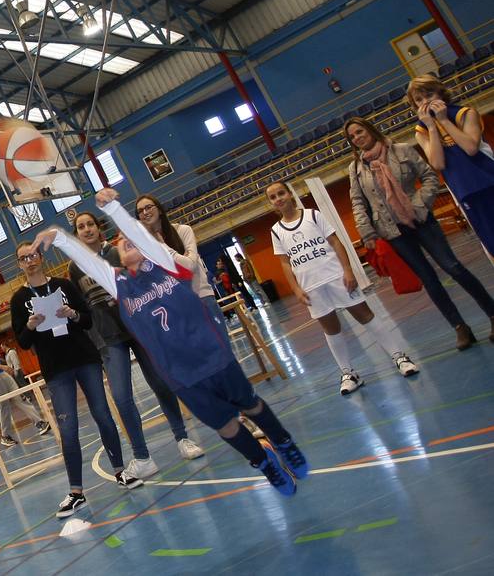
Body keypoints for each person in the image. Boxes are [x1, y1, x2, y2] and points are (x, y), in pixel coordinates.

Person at [36, 188, 309, 498]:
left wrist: (113, 208)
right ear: (119, 260)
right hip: (181, 374)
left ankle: (284, 441)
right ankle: (263, 461)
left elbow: (140, 234)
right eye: (122, 245)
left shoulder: (166, 264)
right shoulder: (120, 284)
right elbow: (89, 260)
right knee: (226, 426)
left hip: (213, 356)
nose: (126, 243)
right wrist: (59, 237)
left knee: (251, 404)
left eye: (131, 240)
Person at [10, 241, 139, 519]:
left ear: (40, 257)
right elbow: (21, 341)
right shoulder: (18, 299)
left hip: (85, 358)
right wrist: (30, 326)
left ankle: (120, 472)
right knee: (68, 430)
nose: (29, 261)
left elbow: (88, 320)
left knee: (103, 415)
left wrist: (73, 314)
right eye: (23, 258)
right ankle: (76, 491)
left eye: (33, 255)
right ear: (19, 264)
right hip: (56, 369)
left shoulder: (65, 286)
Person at [66, 211, 203, 468]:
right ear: (76, 235)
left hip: (140, 328)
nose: (86, 229)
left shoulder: (119, 251)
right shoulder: (75, 267)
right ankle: (142, 456)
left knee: (161, 384)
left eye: (90, 224)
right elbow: (83, 305)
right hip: (108, 338)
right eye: (80, 227)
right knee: (121, 396)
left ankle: (182, 438)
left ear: (98, 227)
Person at [346, 115, 494, 350]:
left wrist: (419, 205)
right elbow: (358, 202)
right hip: (393, 232)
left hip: (422, 220)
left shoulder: (402, 150)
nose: (357, 138)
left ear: (370, 130)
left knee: (452, 266)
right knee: (429, 280)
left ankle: (492, 313)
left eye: (359, 132)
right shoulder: (355, 169)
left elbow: (429, 177)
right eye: (352, 137)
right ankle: (460, 327)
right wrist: (367, 232)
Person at [266, 180, 419, 394]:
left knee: (365, 315)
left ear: (290, 194)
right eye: (272, 197)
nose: (278, 199)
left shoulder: (312, 215)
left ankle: (399, 357)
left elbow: (335, 242)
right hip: (311, 286)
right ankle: (348, 373)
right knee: (331, 329)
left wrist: (347, 269)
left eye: (281, 193)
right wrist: (296, 289)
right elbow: (284, 262)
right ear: (271, 204)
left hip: (336, 276)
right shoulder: (276, 231)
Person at [409, 74, 494, 257]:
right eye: (419, 99)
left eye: (429, 95)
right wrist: (432, 127)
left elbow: (471, 148)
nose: (425, 102)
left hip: (489, 179)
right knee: (490, 241)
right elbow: (438, 163)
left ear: (440, 93)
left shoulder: (465, 113)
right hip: (465, 191)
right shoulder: (422, 131)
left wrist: (444, 120)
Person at [135, 194, 222, 326]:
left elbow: (190, 266)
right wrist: (181, 258)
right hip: (176, 307)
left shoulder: (183, 231)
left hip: (202, 298)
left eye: (148, 207)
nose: (145, 212)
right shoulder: (145, 248)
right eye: (140, 211)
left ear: (159, 210)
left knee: (220, 346)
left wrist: (161, 245)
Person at [0, 321, 48, 447]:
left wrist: (5, 367)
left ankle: (40, 422)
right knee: (5, 406)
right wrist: (1, 366)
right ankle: (5, 435)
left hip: (2, 373)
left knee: (19, 397)